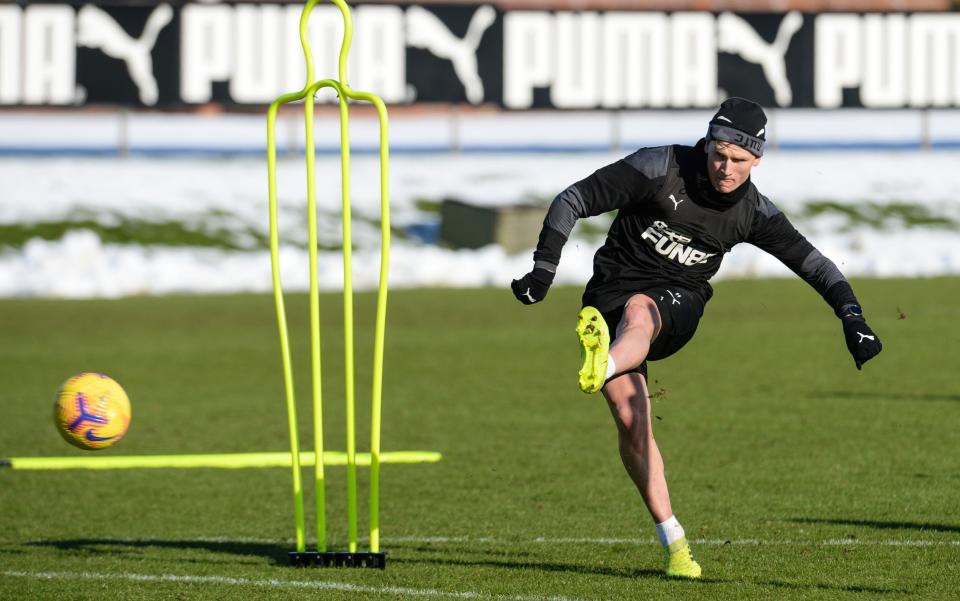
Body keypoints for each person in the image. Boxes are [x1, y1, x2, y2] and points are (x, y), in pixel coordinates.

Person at [510, 97, 883, 579]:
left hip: (678, 303)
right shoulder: (659, 168)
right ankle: (676, 545)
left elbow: (815, 265)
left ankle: (600, 363)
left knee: (642, 313)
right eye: (718, 154)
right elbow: (572, 200)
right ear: (707, 145)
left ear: (758, 160)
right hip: (608, 296)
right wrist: (543, 271)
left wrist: (852, 316)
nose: (725, 168)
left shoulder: (753, 212)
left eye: (738, 160)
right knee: (631, 419)